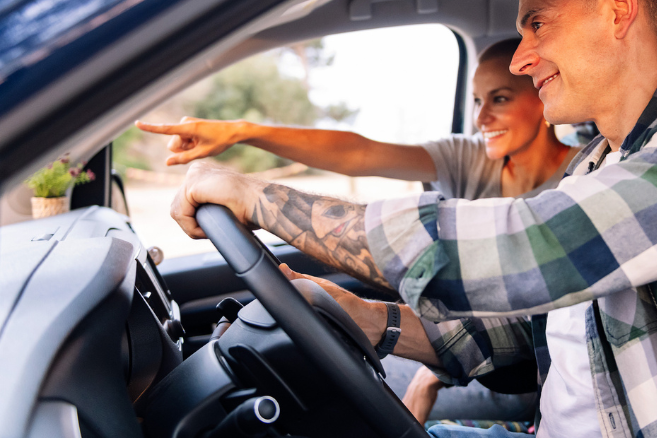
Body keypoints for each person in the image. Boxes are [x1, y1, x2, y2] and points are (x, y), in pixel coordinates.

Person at [169, 0, 657, 438]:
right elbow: (517, 334)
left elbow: (528, 251)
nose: (521, 59)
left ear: (617, 9)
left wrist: (261, 198)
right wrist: (360, 317)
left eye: (537, 25)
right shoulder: (605, 162)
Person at [137, 39, 577, 423]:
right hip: (451, 340)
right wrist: (241, 132)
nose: (481, 117)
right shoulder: (472, 158)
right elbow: (359, 152)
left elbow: (528, 323)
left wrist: (427, 379)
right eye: (477, 101)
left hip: (518, 371)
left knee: (327, 393)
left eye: (498, 99)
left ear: (541, 91)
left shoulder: (581, 185)